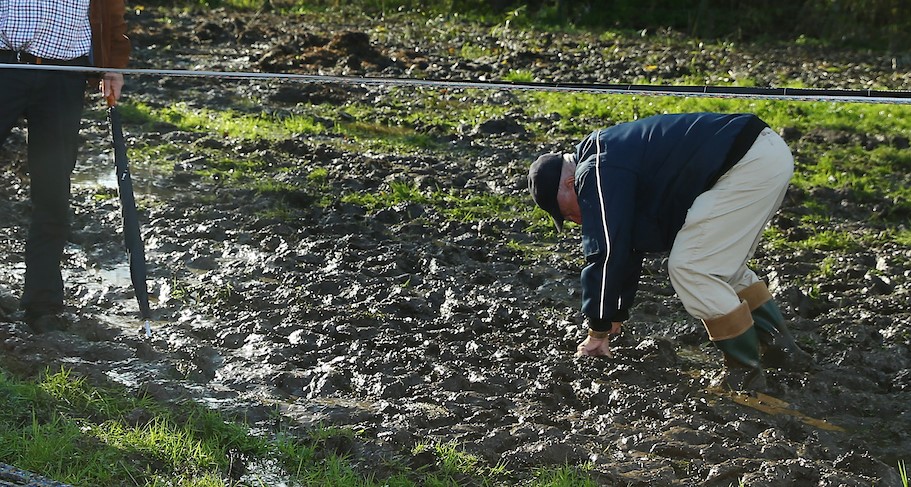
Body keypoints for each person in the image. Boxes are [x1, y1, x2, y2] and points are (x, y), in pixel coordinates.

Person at [528, 112, 813, 391]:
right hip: (763, 154)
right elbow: (628, 244)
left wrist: (597, 330)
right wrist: (615, 312)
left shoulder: (595, 171)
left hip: (746, 163)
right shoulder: (605, 153)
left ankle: (744, 374)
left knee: (692, 268)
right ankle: (782, 350)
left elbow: (606, 251)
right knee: (723, 268)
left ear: (568, 184)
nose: (575, 220)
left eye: (565, 211)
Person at [0, 1, 131, 332]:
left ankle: (42, 303)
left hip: (64, 76)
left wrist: (113, 64)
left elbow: (111, 11)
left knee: (53, 191)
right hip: (4, 65)